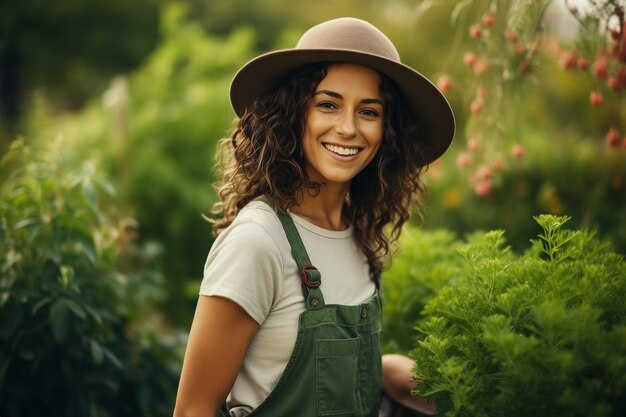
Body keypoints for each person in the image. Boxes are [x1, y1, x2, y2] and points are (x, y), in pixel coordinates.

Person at [174, 17, 454, 417]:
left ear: (388, 131)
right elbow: (192, 410)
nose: (348, 128)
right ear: (292, 113)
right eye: (328, 104)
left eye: (369, 111)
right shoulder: (258, 242)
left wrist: (381, 370)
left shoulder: (355, 234)